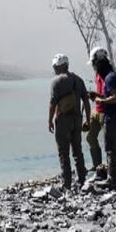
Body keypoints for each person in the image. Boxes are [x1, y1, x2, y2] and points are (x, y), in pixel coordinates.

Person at [90, 55, 116, 186]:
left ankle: (112, 179)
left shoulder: (109, 78)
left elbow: (115, 97)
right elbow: (111, 95)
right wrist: (98, 95)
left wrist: (100, 100)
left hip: (112, 118)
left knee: (110, 149)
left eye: (96, 68)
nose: (96, 71)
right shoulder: (115, 77)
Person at [48, 53, 89, 190]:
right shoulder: (78, 79)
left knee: (63, 153)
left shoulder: (56, 81)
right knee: (78, 152)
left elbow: (53, 104)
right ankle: (82, 180)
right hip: (77, 120)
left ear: (58, 67)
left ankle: (67, 184)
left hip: (63, 121)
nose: (54, 70)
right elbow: (86, 102)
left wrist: (49, 121)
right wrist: (87, 120)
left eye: (55, 67)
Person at [84, 46, 109, 180]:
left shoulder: (108, 75)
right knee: (90, 137)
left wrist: (95, 95)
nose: (93, 66)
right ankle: (97, 165)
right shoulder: (98, 74)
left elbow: (108, 96)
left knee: (109, 142)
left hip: (105, 112)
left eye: (93, 63)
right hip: (97, 110)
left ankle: (110, 168)